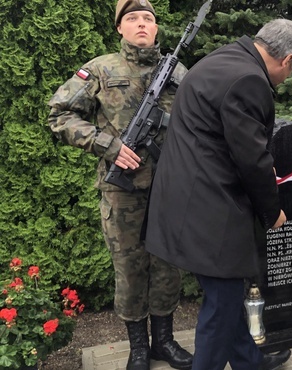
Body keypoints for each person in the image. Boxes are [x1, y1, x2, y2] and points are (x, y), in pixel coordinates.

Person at [144, 19, 292, 370]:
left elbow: (221, 141)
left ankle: (250, 362)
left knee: (228, 298)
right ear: (288, 59)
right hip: (210, 210)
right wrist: (272, 209)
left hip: (189, 199)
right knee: (221, 307)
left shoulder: (224, 58)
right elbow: (252, 159)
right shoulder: (249, 79)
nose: (288, 77)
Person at [47, 1, 193, 369]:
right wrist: (108, 145)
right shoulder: (101, 68)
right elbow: (59, 114)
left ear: (156, 28)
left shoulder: (177, 71)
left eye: (148, 18)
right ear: (119, 28)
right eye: (132, 19)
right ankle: (139, 349)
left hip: (169, 187)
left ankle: (164, 341)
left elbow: (199, 120)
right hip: (122, 190)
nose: (142, 24)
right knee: (129, 269)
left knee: (167, 265)